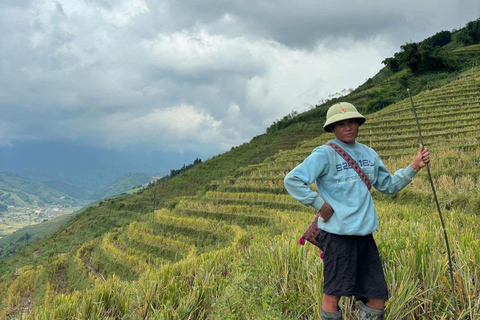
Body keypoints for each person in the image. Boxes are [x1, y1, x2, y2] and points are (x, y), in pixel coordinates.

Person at [284, 102, 430, 320]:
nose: (348, 127)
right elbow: (292, 180)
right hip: (337, 236)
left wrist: (414, 167)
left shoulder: (369, 154)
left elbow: (388, 185)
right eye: (340, 124)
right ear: (332, 129)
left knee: (377, 294)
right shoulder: (324, 154)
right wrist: (319, 205)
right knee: (333, 293)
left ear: (358, 124)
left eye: (351, 122)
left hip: (364, 236)